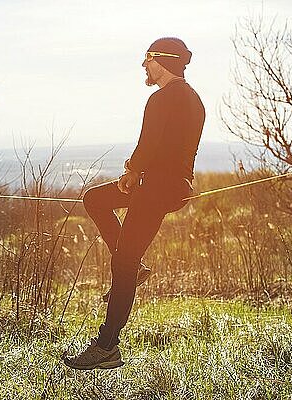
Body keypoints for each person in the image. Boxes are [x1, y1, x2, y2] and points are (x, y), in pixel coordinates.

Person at [64, 37, 205, 370]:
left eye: (148, 58)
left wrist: (131, 171)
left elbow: (149, 143)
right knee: (95, 198)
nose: (144, 65)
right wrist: (139, 176)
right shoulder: (194, 99)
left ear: (164, 61)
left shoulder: (162, 98)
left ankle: (107, 346)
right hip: (169, 187)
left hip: (155, 188)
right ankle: (134, 267)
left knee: (122, 265)